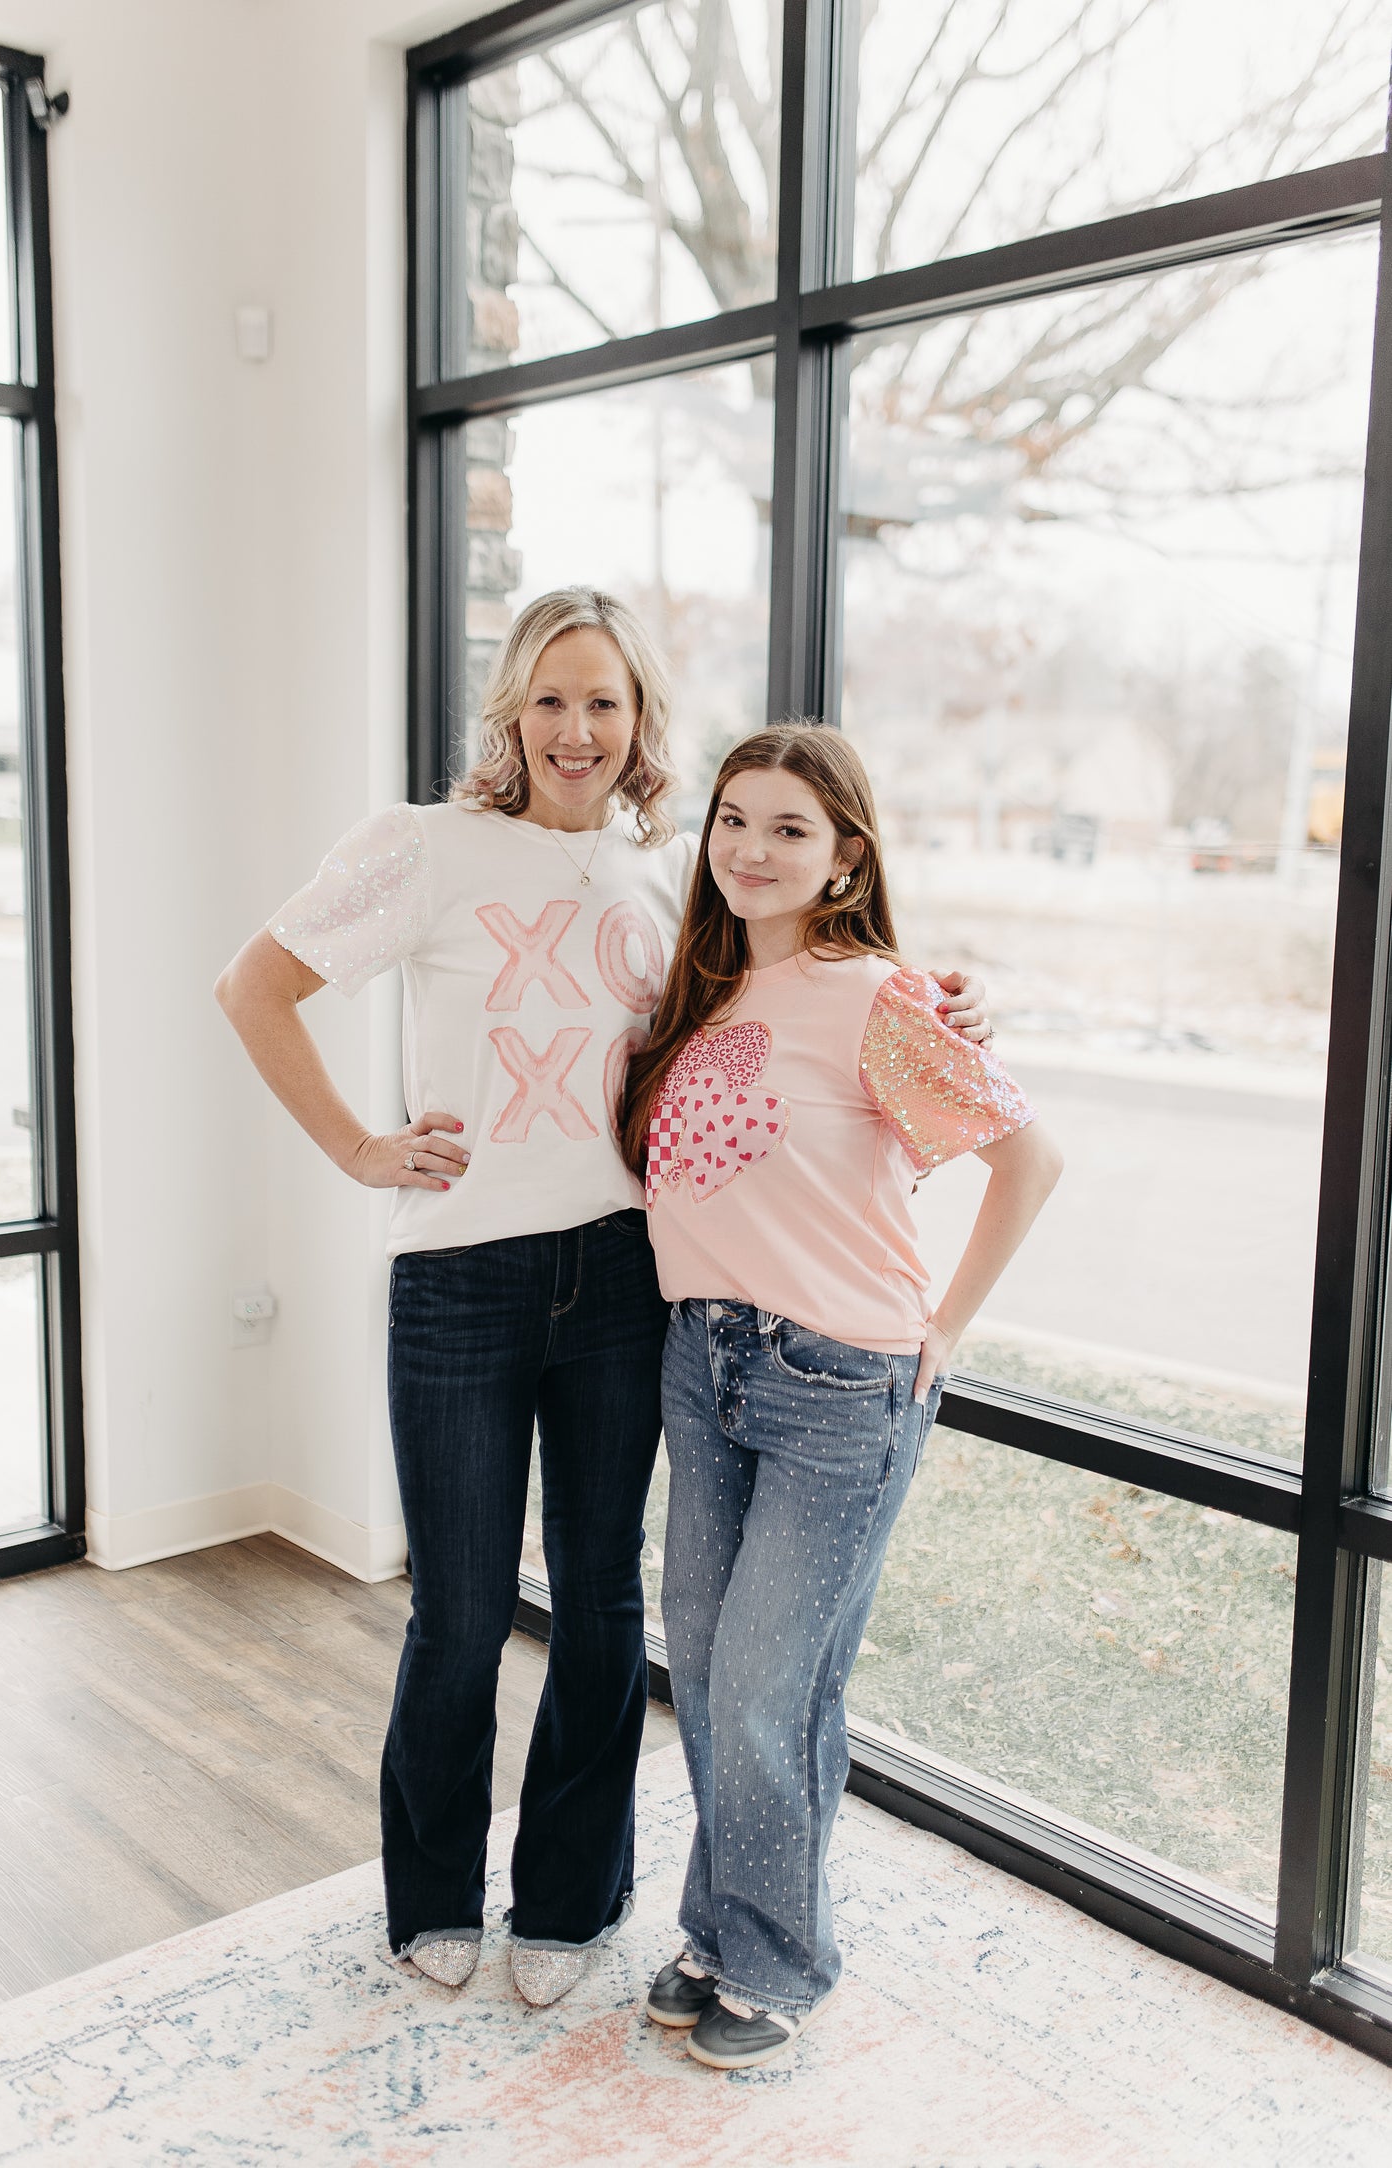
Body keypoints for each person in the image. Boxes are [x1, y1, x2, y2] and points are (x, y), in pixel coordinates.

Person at [215, 589, 992, 2009]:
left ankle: (569, 1895)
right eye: (551, 699)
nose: (577, 730)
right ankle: (432, 1891)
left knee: (595, 1608)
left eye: (606, 703)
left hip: (627, 1278)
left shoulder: (666, 879)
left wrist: (936, 1004)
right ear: (512, 709)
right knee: (454, 1611)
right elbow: (254, 986)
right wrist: (358, 1146)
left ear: (641, 723)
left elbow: (791, 985)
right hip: (459, 1274)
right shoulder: (424, 847)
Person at [619, 724, 1061, 2069]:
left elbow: (1028, 1161)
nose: (750, 849)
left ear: (843, 856)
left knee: (764, 1685)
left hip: (836, 1385)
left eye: (790, 829)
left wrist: (944, 1328)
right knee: (707, 1675)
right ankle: (719, 1927)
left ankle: (778, 1964)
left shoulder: (879, 996)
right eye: (732, 820)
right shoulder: (695, 994)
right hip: (702, 1366)